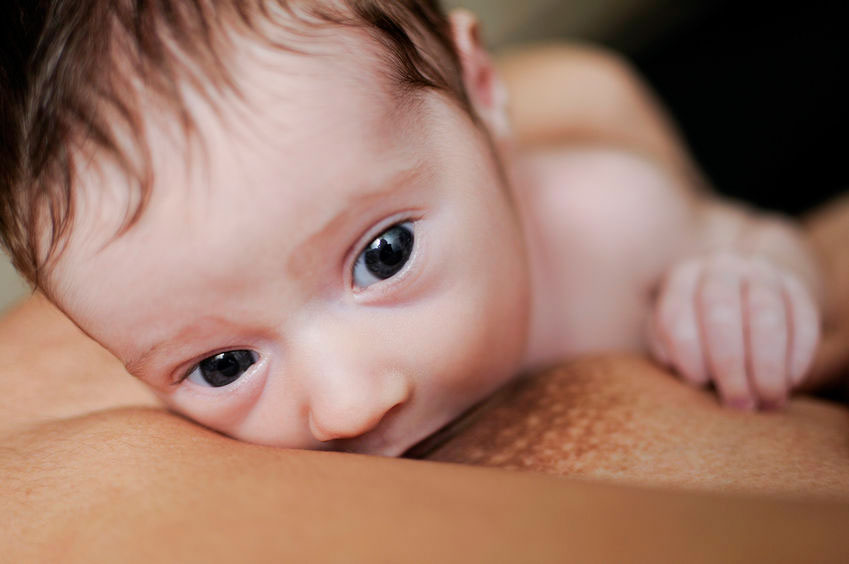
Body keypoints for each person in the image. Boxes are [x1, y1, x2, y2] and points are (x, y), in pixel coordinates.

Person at [0, 1, 828, 457]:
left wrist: (744, 280)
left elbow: (769, 246)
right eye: (223, 364)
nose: (347, 404)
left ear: (478, 87)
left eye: (384, 255)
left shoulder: (608, 218)